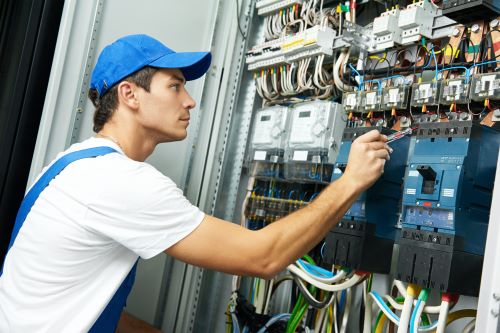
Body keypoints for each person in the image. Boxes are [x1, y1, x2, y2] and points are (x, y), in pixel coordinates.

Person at [0, 34, 391, 332]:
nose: (189, 101)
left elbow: (83, 308)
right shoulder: (118, 181)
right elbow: (263, 258)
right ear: (129, 95)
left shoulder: (72, 163)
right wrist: (351, 180)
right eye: (175, 86)